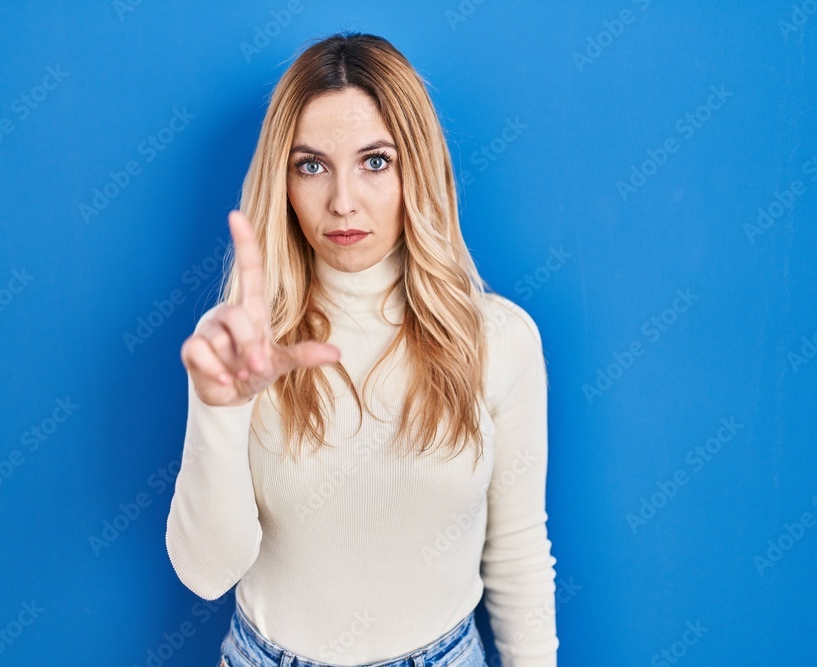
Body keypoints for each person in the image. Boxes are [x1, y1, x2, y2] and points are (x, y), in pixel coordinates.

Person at [165, 32, 558, 667]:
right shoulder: (238, 340)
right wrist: (220, 408)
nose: (342, 201)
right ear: (283, 180)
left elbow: (517, 549)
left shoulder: (500, 340)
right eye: (311, 165)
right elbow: (207, 575)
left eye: (375, 161)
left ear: (417, 169)